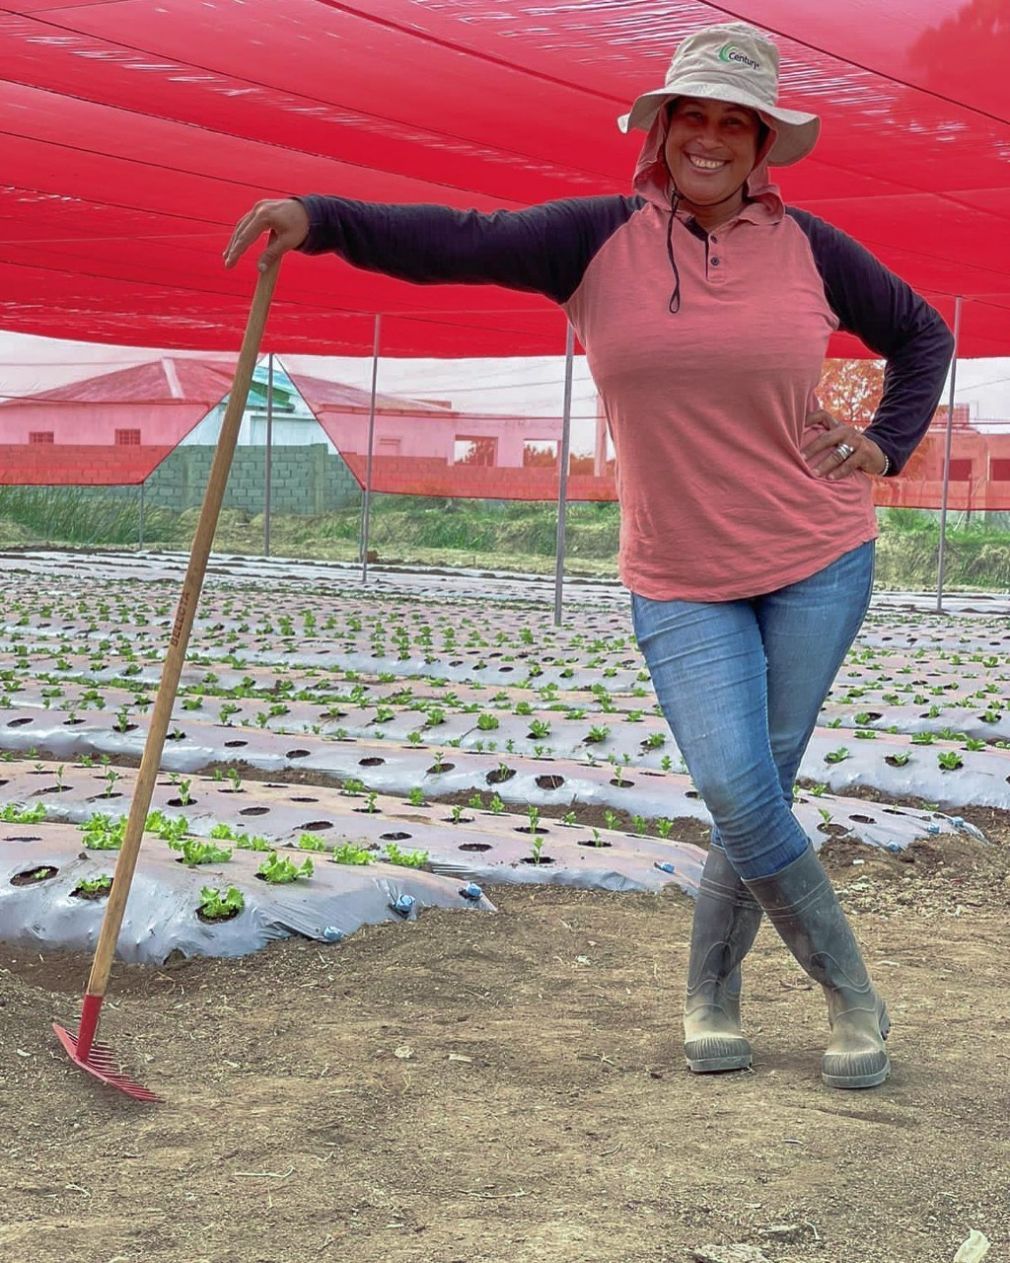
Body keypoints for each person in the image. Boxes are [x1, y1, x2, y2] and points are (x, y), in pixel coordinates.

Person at [225, 22, 953, 1090]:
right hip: (677, 573)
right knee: (737, 790)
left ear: (761, 146)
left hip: (815, 555)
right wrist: (322, 218)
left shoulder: (811, 249)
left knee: (760, 789)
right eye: (690, 117)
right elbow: (459, 240)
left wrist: (884, 443)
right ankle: (849, 991)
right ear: (660, 132)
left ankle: (711, 994)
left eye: (733, 124)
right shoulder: (594, 238)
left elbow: (920, 332)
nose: (708, 138)